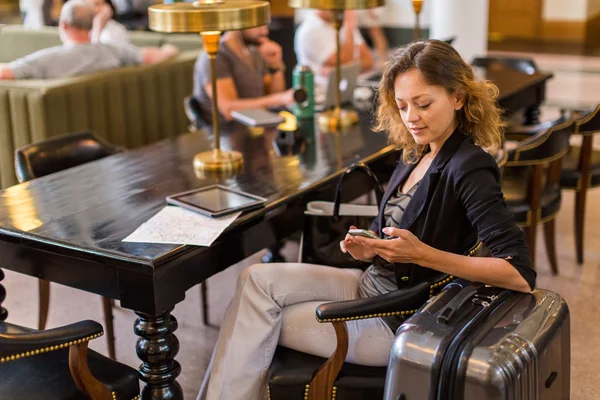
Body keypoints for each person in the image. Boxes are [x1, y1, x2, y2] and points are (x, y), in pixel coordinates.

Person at [196, 39, 535, 400]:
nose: (411, 117)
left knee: (255, 323)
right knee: (254, 281)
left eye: (423, 104)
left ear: (458, 98)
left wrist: (421, 254)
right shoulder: (417, 151)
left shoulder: (469, 167)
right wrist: (369, 246)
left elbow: (520, 274)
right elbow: (395, 233)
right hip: (370, 283)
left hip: (398, 317)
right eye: (402, 106)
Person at [0, 0, 178, 80]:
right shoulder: (112, 51)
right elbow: (153, 56)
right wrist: (169, 49)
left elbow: (4, 73)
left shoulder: (47, 59)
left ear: (63, 25)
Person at [192, 25, 294, 123]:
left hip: (257, 127)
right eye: (258, 26)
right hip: (224, 133)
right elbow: (229, 110)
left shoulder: (254, 51)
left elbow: (274, 96)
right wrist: (280, 99)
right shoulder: (217, 57)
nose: (265, 32)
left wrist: (275, 66)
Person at [294, 10, 374, 79]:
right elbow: (344, 61)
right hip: (322, 93)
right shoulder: (309, 31)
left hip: (350, 88)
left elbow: (369, 61)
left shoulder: (344, 23)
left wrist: (341, 69)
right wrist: (350, 28)